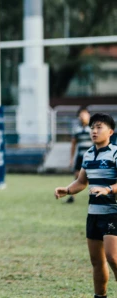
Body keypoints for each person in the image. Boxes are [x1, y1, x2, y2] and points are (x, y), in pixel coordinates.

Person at [55, 113, 117, 298]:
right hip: (93, 214)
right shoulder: (88, 154)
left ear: (111, 131)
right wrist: (67, 190)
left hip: (112, 213)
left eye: (99, 127)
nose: (94, 131)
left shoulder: (115, 152)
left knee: (112, 258)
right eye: (92, 128)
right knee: (96, 261)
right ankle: (100, 296)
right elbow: (82, 182)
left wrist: (108, 189)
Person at [68, 107, 93, 204]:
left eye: (85, 114)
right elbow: (73, 144)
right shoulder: (77, 129)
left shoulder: (92, 128)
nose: (83, 116)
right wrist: (71, 158)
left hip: (90, 156)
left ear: (89, 115)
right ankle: (72, 196)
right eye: (81, 114)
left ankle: (95, 195)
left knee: (92, 177)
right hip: (80, 156)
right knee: (77, 176)